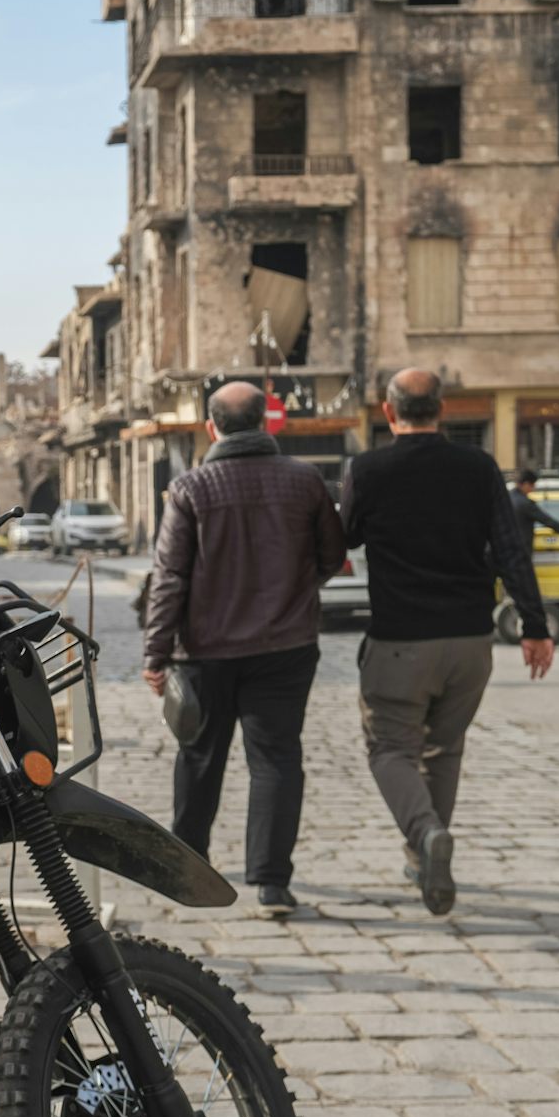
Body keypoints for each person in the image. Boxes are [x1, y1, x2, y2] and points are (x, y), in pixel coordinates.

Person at [341, 369, 556, 915]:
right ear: (444, 410)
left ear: (389, 413)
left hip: (400, 641)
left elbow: (340, 541)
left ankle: (426, 834)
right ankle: (423, 857)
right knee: (446, 748)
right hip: (470, 641)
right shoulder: (479, 468)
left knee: (390, 747)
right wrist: (534, 626)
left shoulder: (369, 470)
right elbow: (512, 550)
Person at [141, 382, 347, 916]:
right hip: (286, 646)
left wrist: (156, 653)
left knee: (199, 756)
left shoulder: (191, 487)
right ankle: (273, 884)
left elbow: (169, 577)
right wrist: (295, 593)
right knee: (278, 759)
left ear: (212, 427)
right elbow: (331, 555)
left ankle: (189, 868)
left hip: (204, 651)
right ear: (267, 422)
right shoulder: (305, 481)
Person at [510, 468, 559, 552]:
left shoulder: (508, 499)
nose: (533, 489)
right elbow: (548, 521)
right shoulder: (524, 503)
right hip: (522, 549)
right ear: (526, 484)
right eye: (533, 485)